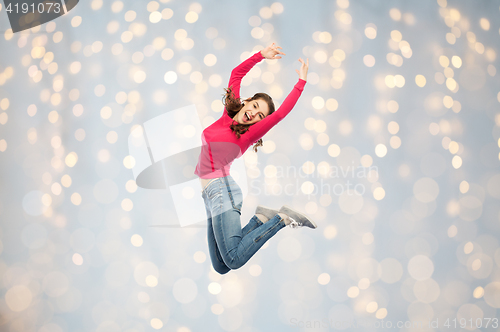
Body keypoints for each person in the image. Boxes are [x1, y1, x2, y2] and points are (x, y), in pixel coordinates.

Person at [194, 43, 317, 275]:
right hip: (209, 197)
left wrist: (301, 83)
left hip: (222, 191)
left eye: (260, 116)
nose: (254, 114)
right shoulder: (226, 116)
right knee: (221, 266)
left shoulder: (247, 135)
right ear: (247, 101)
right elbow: (236, 74)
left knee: (234, 259)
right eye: (255, 106)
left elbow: (280, 113)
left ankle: (282, 219)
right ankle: (260, 219)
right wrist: (260, 55)